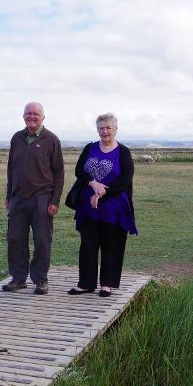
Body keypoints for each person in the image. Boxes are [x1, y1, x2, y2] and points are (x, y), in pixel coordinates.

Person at [68, 113, 137, 297]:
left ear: (115, 129)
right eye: (101, 128)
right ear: (97, 130)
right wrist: (93, 183)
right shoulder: (90, 147)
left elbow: (124, 180)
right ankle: (86, 284)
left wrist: (101, 194)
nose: (105, 131)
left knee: (111, 244)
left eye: (108, 127)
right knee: (88, 244)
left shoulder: (123, 152)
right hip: (88, 207)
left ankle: (107, 284)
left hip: (113, 207)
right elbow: (79, 171)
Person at [3, 101, 65, 295]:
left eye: (35, 114)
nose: (31, 117)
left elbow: (59, 173)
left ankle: (41, 279)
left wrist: (54, 201)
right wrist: (8, 195)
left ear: (43, 118)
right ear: (23, 117)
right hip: (18, 198)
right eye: (28, 114)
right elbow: (11, 169)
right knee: (15, 239)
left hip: (42, 198)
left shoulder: (51, 140)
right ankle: (18, 278)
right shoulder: (16, 138)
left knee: (42, 240)